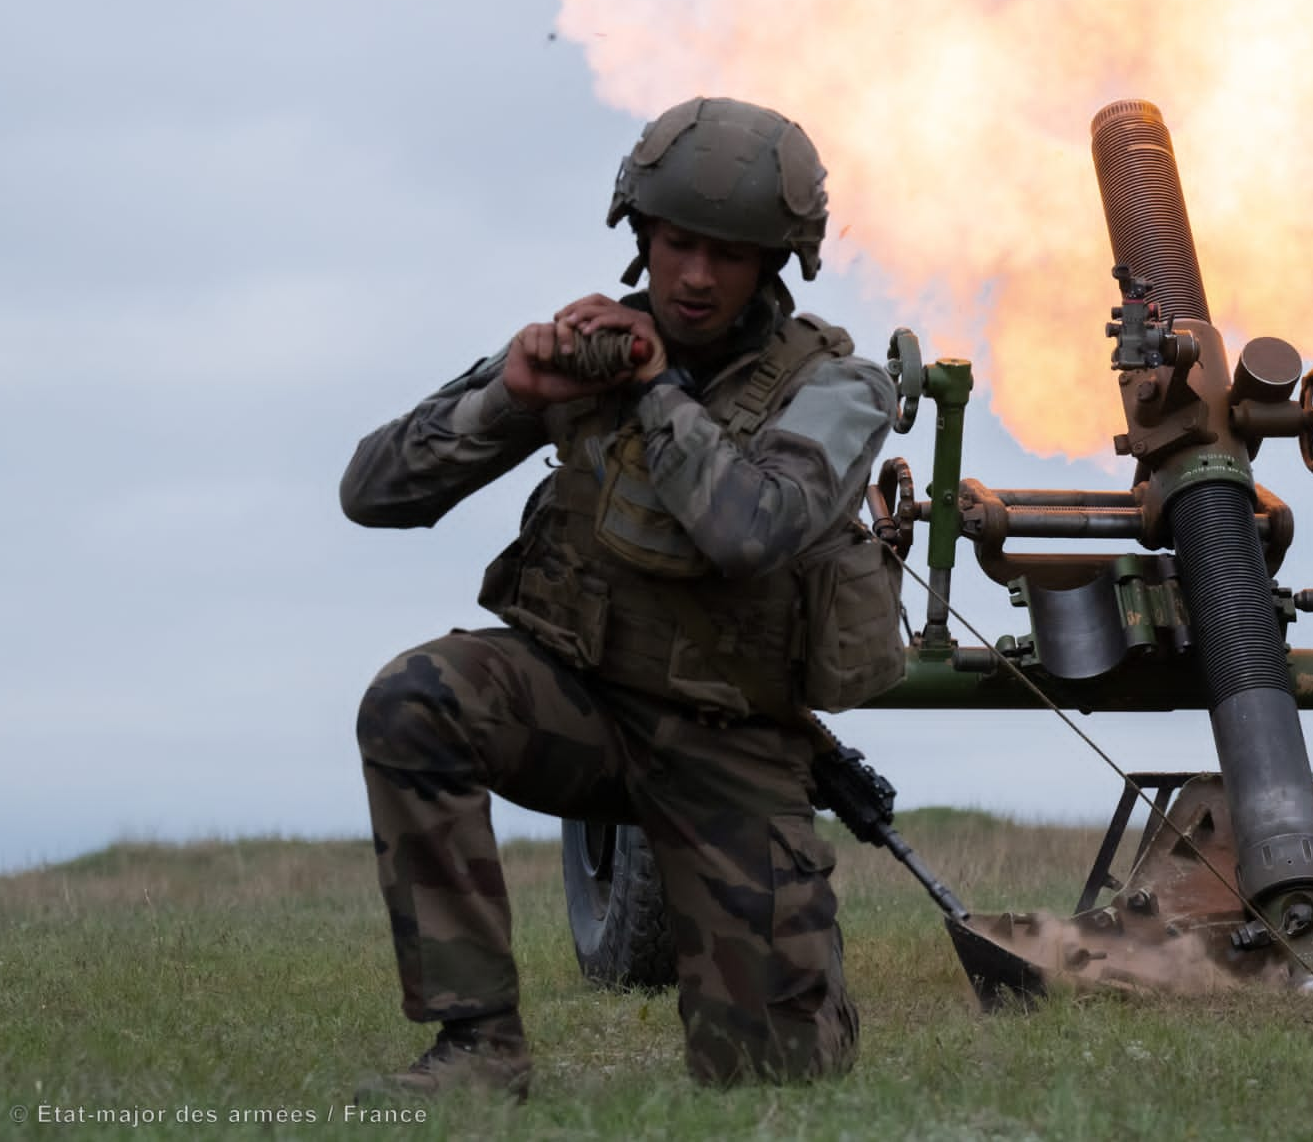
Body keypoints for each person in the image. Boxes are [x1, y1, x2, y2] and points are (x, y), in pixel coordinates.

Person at [338, 97, 899, 1100]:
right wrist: (509, 393)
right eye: (676, 243)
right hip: (574, 704)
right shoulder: (592, 348)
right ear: (640, 236)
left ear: (774, 261)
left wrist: (654, 392)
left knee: (773, 1082)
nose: (693, 275)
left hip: (727, 746)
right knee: (414, 698)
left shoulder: (838, 387)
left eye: (726, 253)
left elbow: (749, 529)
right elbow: (373, 492)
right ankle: (477, 1052)